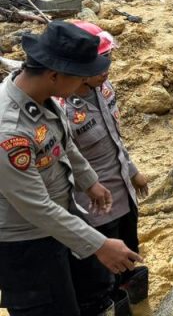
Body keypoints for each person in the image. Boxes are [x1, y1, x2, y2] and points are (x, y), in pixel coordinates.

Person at [0, 22, 142, 316]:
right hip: (25, 242)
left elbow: (63, 143)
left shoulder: (41, 98)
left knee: (86, 296)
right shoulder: (9, 131)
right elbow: (35, 206)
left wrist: (89, 180)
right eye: (80, 79)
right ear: (54, 74)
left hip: (59, 222)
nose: (83, 86)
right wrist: (99, 244)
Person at [64, 21, 149, 309]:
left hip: (122, 190)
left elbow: (114, 136)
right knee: (103, 276)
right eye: (100, 63)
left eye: (108, 58)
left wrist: (133, 171)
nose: (107, 68)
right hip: (93, 207)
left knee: (129, 257)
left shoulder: (104, 87)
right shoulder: (62, 106)